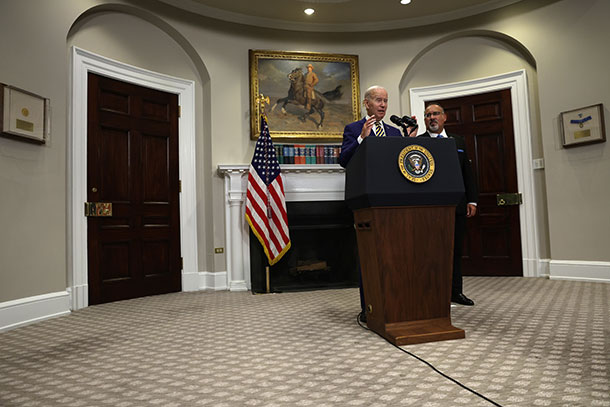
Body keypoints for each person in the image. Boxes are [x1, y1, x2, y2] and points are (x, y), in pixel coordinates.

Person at [338, 86, 404, 322]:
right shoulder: (353, 129)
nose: (383, 105)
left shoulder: (395, 132)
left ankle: (396, 303)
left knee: (394, 254)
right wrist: (361, 139)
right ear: (366, 103)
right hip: (367, 200)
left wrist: (411, 141)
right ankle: (371, 307)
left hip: (394, 201)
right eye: (378, 100)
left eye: (386, 101)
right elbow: (344, 160)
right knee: (371, 255)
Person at [417, 104, 478, 306]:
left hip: (457, 205)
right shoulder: (419, 142)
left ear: (444, 117)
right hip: (430, 207)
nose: (432, 118)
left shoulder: (458, 141)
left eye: (435, 114)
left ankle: (455, 292)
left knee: (455, 249)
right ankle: (432, 293)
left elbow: (467, 172)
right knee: (431, 251)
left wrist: (472, 199)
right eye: (428, 115)